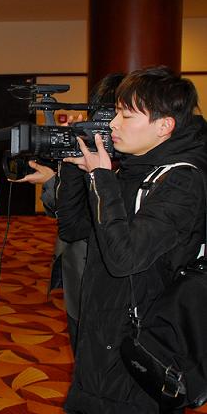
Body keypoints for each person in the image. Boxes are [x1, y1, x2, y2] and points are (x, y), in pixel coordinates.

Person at [57, 66, 207, 413]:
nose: (113, 124)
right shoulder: (133, 167)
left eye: (126, 115)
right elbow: (74, 228)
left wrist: (102, 178)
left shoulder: (181, 181)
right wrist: (75, 169)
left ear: (164, 125)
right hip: (103, 328)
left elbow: (124, 258)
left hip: (141, 340)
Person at [12, 73, 125, 352]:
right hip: (78, 276)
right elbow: (65, 215)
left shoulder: (137, 166)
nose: (111, 125)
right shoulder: (86, 149)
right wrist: (58, 174)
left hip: (115, 286)